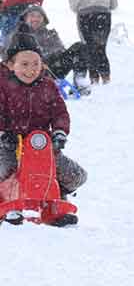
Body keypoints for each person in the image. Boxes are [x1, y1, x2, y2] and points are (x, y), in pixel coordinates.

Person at [0, 32, 86, 226]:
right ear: (10, 65)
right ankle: (6, 201)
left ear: (42, 64)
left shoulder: (47, 86)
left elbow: (59, 113)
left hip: (42, 146)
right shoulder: (3, 86)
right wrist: (5, 133)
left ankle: (57, 199)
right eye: (24, 64)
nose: (30, 70)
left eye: (35, 64)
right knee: (5, 170)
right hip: (9, 144)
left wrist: (59, 132)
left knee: (75, 175)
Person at [3, 5, 90, 94]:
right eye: (32, 15)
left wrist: (51, 55)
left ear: (44, 19)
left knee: (79, 46)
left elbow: (60, 50)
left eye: (39, 16)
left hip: (51, 69)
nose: (35, 19)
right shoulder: (17, 35)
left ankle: (79, 81)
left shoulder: (51, 34)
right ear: (25, 18)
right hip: (27, 70)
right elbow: (6, 56)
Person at [68, 0, 118, 85]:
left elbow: (73, 1)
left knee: (88, 48)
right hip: (104, 17)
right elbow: (114, 4)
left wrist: (78, 9)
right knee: (101, 48)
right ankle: (106, 77)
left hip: (86, 17)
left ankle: (94, 78)